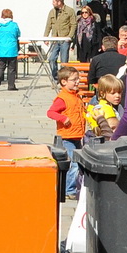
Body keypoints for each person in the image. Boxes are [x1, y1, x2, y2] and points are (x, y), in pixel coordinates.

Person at [46, 66, 85, 198]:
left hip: (77, 135)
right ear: (64, 82)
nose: (77, 82)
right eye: (74, 80)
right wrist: (63, 118)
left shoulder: (76, 96)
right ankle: (69, 190)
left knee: (77, 163)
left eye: (78, 79)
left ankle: (72, 187)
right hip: (67, 136)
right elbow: (51, 112)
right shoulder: (62, 98)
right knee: (73, 163)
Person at [44, 0, 76, 77]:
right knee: (51, 59)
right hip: (55, 39)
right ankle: (55, 77)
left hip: (64, 39)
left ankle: (63, 78)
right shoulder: (52, 12)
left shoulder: (69, 11)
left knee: (64, 61)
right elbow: (48, 25)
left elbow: (73, 24)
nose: (52, 3)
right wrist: (46, 37)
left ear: (59, 2)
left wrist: (69, 36)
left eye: (54, 1)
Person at [86, 75, 124, 143]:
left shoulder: (118, 107)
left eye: (119, 92)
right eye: (113, 93)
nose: (117, 96)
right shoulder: (100, 110)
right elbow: (107, 133)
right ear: (102, 93)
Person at [0, 8, 21, 91]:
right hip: (12, 49)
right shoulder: (14, 25)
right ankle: (11, 85)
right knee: (11, 68)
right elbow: (18, 34)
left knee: (1, 67)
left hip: (1, 49)